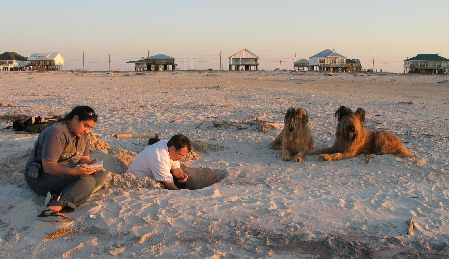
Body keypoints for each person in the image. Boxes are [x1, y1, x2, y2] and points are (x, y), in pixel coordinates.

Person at [24, 106, 108, 222]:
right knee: (87, 181)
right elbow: (48, 166)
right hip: (40, 177)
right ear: (75, 119)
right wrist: (74, 171)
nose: (87, 130)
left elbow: (84, 158)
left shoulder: (83, 134)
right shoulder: (57, 132)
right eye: (85, 125)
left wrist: (90, 164)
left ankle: (66, 192)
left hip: (66, 173)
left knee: (100, 175)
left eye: (90, 127)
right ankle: (52, 209)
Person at [126, 134, 191, 190]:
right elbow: (168, 183)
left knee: (182, 183)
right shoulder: (160, 156)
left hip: (155, 176)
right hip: (137, 182)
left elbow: (175, 168)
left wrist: (180, 175)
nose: (182, 158)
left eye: (183, 155)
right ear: (172, 148)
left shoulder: (167, 145)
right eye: (180, 154)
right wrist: (181, 194)